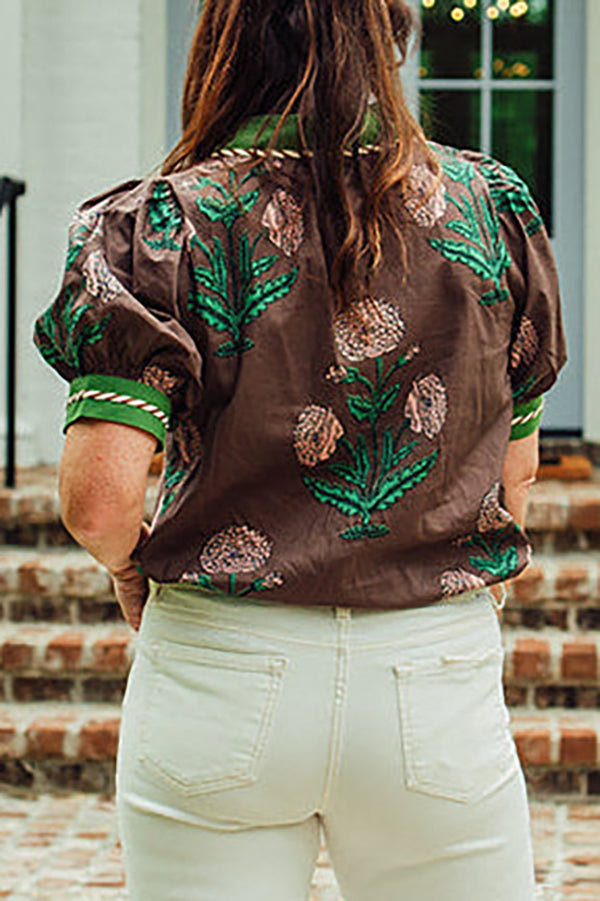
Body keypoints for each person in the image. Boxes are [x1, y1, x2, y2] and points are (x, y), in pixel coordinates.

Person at [32, 1, 567, 898]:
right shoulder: (489, 213)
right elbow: (515, 477)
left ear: (225, 45)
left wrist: (130, 567)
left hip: (220, 667)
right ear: (388, 38)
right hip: (429, 677)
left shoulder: (168, 226)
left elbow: (99, 500)